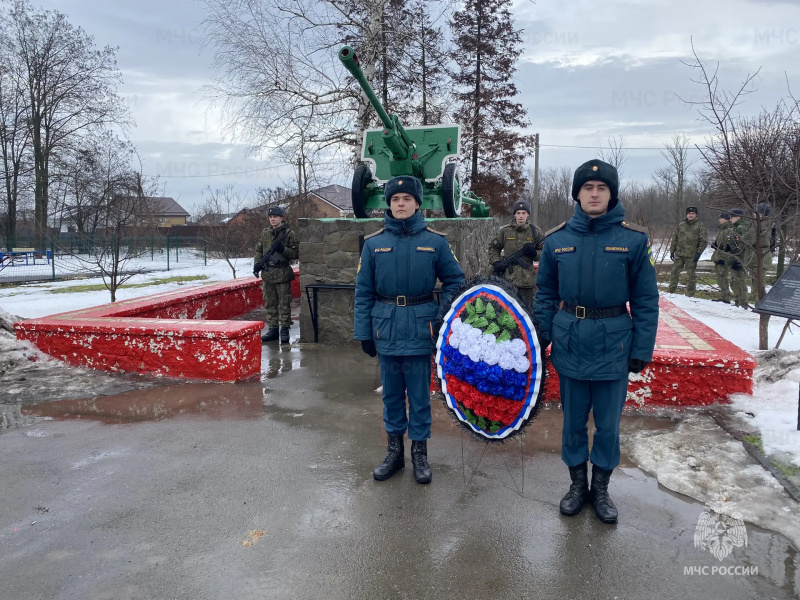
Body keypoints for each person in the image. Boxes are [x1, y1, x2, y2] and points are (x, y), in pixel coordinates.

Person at [534, 159, 659, 524]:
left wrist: (641, 349)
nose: (594, 194)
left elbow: (646, 300)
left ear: (611, 194)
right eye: (587, 189)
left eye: (601, 188)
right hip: (571, 339)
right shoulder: (557, 240)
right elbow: (544, 294)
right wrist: (541, 338)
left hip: (614, 344)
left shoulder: (633, 240)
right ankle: (576, 486)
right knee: (572, 422)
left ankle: (601, 489)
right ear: (576, 194)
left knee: (607, 425)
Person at [354, 176, 465, 484]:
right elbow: (363, 291)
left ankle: (419, 453)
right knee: (391, 395)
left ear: (418, 203)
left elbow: (456, 281)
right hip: (386, 327)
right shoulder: (374, 244)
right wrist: (363, 331)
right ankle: (394, 453)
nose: (400, 204)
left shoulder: (435, 242)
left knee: (418, 396)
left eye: (406, 198)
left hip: (420, 327)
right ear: (388, 204)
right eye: (394, 199)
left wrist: (441, 317)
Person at [253, 206, 299, 343]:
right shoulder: (265, 233)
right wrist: (257, 265)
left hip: (282, 273)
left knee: (284, 304)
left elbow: (296, 254)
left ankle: (284, 329)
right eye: (270, 217)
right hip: (268, 273)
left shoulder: (289, 233)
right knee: (270, 303)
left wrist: (283, 249)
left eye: (275, 217)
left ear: (281, 218)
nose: (272, 219)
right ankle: (273, 329)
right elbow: (258, 251)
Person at [488, 200, 545, 308]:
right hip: (508, 280)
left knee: (528, 312)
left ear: (528, 214)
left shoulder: (535, 232)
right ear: (514, 214)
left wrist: (534, 254)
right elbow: (493, 248)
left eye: (524, 213)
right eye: (518, 213)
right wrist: (496, 262)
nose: (521, 216)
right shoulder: (505, 231)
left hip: (528, 282)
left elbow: (545, 253)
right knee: (507, 311)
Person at [667, 206, 708, 297]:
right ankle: (671, 291)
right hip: (679, 254)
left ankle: (690, 294)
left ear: (696, 215)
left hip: (691, 255)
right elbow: (675, 238)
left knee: (691, 276)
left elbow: (704, 241)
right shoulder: (681, 225)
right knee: (674, 273)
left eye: (693, 213)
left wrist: (699, 252)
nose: (691, 215)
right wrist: (672, 251)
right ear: (686, 215)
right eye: (689, 214)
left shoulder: (700, 226)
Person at [709, 212, 739, 304]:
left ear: (726, 219)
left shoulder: (729, 230)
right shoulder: (722, 230)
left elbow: (729, 246)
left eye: (721, 218)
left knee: (723, 277)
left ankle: (726, 297)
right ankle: (724, 295)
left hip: (724, 257)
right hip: (719, 255)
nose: (719, 220)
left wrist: (724, 257)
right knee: (720, 277)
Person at [730, 209, 752, 309]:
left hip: (741, 257)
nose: (730, 219)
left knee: (740, 280)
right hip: (736, 256)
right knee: (734, 280)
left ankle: (743, 303)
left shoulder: (742, 227)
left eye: (732, 217)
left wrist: (738, 259)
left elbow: (743, 244)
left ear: (738, 217)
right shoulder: (736, 227)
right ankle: (738, 300)